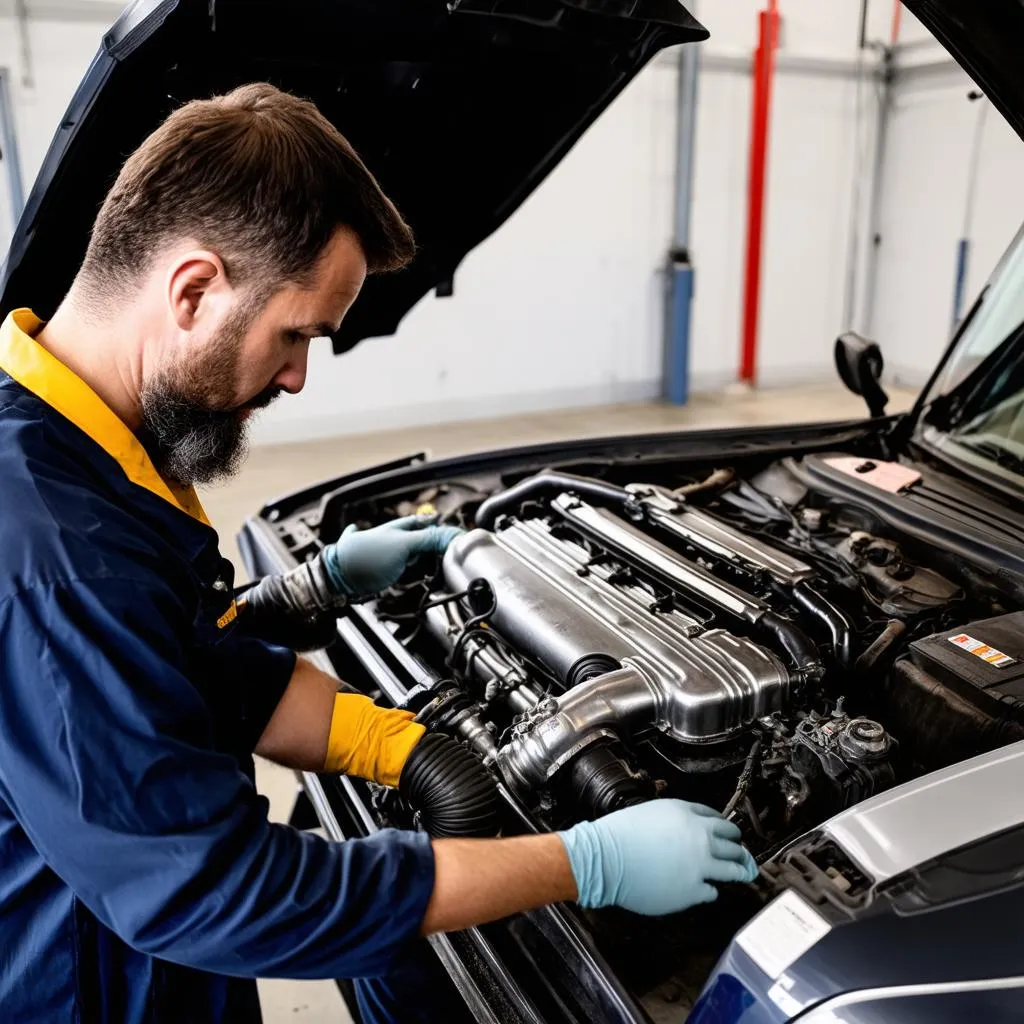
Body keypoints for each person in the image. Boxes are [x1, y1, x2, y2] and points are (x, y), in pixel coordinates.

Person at [0, 83, 757, 1024]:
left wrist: (402, 738)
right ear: (193, 291)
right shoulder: (54, 548)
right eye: (297, 334)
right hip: (88, 990)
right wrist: (583, 863)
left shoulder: (84, 455)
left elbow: (189, 666)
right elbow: (217, 891)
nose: (296, 376)